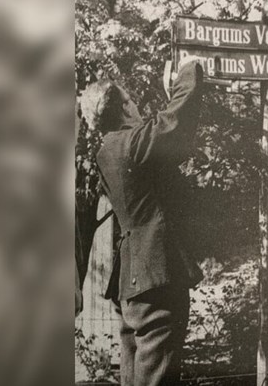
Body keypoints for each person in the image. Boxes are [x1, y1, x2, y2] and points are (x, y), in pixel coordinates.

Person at [79, 59, 205, 385]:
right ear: (124, 108)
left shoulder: (108, 150)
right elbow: (175, 120)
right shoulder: (130, 145)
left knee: (134, 376)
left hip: (132, 285)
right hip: (156, 282)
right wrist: (190, 66)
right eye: (131, 100)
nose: (136, 105)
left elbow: (162, 149)